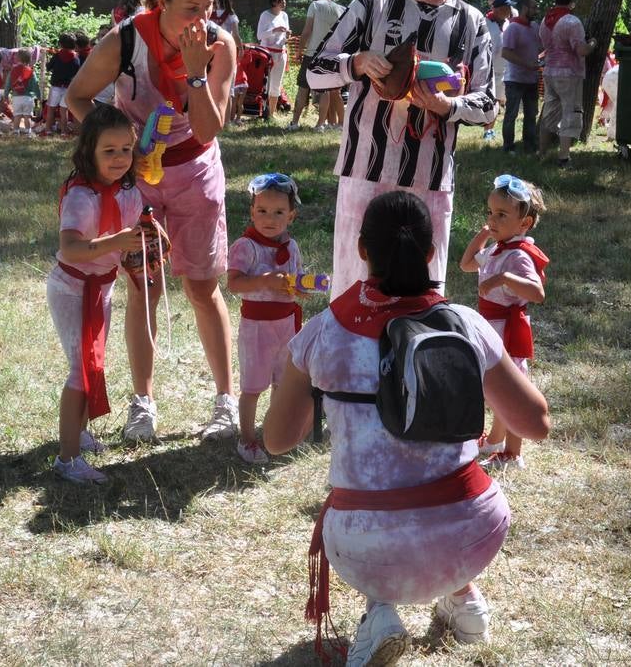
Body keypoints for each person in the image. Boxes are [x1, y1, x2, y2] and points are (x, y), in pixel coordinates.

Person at [261, 191, 551, 664]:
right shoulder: (464, 324)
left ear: (361, 250)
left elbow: (276, 441)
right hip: (471, 533)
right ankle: (464, 598)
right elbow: (536, 425)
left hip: (366, 545)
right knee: (439, 494)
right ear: (431, 253)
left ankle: (380, 613)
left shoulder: (321, 332)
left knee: (375, 517)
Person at [65, 0, 240, 442]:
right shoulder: (124, 40)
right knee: (145, 291)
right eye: (191, 8)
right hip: (138, 179)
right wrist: (114, 149)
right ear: (161, 2)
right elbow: (77, 97)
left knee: (203, 288)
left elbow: (207, 129)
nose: (202, 19)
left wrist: (195, 72)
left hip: (194, 171)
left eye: (209, 7)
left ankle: (225, 402)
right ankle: (143, 404)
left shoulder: (219, 45)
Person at [305, 0, 497, 299]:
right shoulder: (372, 3)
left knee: (423, 291)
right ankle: (351, 354)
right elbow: (312, 72)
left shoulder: (473, 24)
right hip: (365, 171)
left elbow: (488, 105)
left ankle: (415, 355)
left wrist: (448, 106)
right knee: (354, 284)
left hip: (431, 178)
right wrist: (356, 63)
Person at [48, 105, 149, 484]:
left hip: (101, 287)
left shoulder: (127, 191)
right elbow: (72, 248)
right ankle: (67, 459)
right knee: (81, 370)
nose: (120, 158)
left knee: (93, 365)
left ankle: (79, 432)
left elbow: (133, 235)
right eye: (109, 151)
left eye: (126, 149)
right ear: (89, 150)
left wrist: (147, 244)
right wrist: (117, 241)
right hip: (73, 289)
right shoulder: (81, 197)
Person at [460, 175, 547, 471]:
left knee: (511, 390)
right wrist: (483, 235)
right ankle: (496, 440)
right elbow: (466, 264)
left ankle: (513, 452)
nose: (492, 220)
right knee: (495, 388)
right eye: (489, 213)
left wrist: (505, 278)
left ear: (525, 224)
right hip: (490, 327)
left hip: (506, 331)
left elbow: (537, 293)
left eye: (501, 215)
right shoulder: (498, 250)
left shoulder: (518, 256)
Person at [225, 173, 303, 464]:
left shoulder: (291, 247)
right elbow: (233, 283)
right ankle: (247, 439)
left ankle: (274, 433)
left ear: (291, 216)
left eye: (279, 212)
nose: (269, 219)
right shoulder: (246, 246)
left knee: (283, 385)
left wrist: (299, 288)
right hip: (257, 328)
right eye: (262, 211)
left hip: (286, 326)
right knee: (253, 386)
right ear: (252, 212)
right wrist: (265, 281)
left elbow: (292, 280)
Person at [538, 0, 596, 166]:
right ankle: (564, 157)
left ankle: (541, 153)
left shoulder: (545, 20)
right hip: (569, 74)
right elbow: (581, 50)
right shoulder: (572, 21)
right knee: (570, 113)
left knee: (549, 114)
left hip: (549, 71)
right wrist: (593, 43)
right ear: (572, 1)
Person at [291, 0, 346, 129]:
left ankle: (295, 123)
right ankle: (321, 125)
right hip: (334, 54)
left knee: (303, 87)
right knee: (328, 89)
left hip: (313, 53)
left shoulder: (315, 5)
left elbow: (307, 31)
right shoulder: (342, 9)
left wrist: (299, 51)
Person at [500, 0, 541, 155]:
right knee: (511, 114)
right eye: (534, 7)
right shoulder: (513, 28)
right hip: (514, 80)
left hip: (531, 79)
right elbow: (505, 52)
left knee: (531, 114)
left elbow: (539, 47)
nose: (536, 10)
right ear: (524, 8)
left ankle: (530, 146)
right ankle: (508, 147)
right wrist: (527, 64)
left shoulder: (535, 26)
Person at [256, 0, 291, 122]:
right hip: (267, 53)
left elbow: (285, 37)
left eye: (284, 0)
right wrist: (274, 30)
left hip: (281, 53)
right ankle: (262, 111)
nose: (284, 2)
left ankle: (271, 113)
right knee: (266, 84)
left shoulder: (285, 16)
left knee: (277, 84)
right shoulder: (265, 15)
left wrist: (287, 35)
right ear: (274, 1)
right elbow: (260, 36)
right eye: (282, 0)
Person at [481, 0, 510, 142]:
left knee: (498, 100)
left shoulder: (508, 24)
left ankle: (489, 130)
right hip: (487, 69)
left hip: (503, 69)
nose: (510, 10)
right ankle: (487, 130)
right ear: (499, 9)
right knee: (490, 101)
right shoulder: (485, 23)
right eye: (507, 7)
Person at [43, 33, 82, 135]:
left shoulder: (57, 56)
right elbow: (77, 73)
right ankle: (64, 131)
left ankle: (48, 130)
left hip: (56, 86)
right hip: (68, 87)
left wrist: (48, 61)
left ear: (60, 44)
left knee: (51, 109)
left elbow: (48, 67)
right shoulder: (76, 58)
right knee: (64, 111)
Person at [6, 47, 42, 135]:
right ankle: (28, 132)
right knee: (27, 116)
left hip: (16, 98)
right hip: (28, 98)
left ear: (17, 58)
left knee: (17, 116)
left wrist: (6, 94)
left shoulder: (13, 71)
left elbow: (8, 84)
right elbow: (35, 86)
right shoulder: (31, 72)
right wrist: (39, 96)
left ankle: (15, 131)